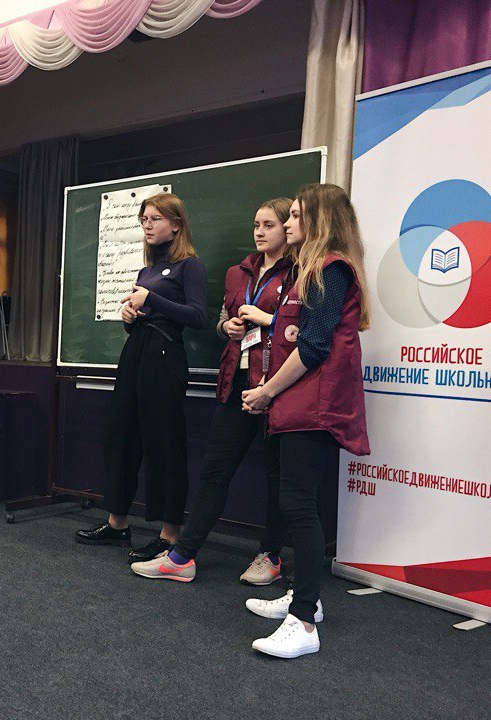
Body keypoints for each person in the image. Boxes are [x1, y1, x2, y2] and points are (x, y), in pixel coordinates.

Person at [130, 199, 294, 582]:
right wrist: (228, 328)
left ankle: (270, 556)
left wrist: (268, 319)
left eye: (268, 225)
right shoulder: (239, 273)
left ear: (288, 229)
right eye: (256, 224)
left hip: (279, 385)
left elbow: (304, 326)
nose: (259, 232)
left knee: (277, 476)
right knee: (214, 472)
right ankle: (182, 556)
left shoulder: (301, 272)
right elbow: (220, 320)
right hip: (236, 381)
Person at [240, 183, 370, 658]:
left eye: (296, 215)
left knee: (298, 506)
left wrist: (267, 391)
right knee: (298, 503)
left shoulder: (330, 269)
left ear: (319, 219)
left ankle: (304, 624)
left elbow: (313, 347)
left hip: (313, 408)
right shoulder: (310, 270)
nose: (288, 222)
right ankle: (305, 599)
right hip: (297, 404)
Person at [75, 193, 207, 557]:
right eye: (144, 219)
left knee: (164, 442)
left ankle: (170, 534)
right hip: (136, 351)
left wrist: (151, 299)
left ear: (176, 225)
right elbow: (145, 315)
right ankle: (117, 524)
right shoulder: (146, 270)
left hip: (165, 355)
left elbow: (197, 316)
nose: (147, 225)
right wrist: (129, 318)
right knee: (120, 436)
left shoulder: (189, 266)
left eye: (155, 219)